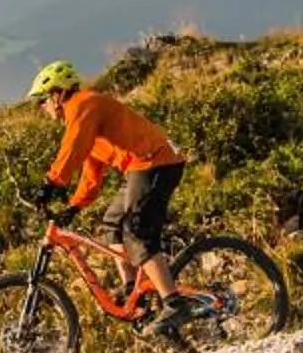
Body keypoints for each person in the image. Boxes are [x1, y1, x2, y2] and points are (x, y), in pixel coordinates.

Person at [26, 60, 196, 327]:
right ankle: (133, 292)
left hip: (155, 162)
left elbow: (72, 148)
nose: (41, 107)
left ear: (57, 94)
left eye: (41, 100)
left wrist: (51, 184)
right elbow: (91, 171)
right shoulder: (85, 115)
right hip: (140, 167)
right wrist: (75, 206)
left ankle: (174, 302)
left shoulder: (82, 105)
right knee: (113, 224)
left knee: (137, 230)